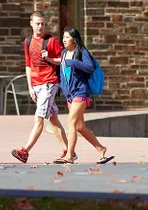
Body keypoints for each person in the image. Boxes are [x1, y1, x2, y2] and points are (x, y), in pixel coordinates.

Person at [11, 11, 74, 164]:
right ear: (31, 24)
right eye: (37, 23)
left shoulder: (51, 41)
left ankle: (24, 152)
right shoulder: (28, 41)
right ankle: (69, 151)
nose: (40, 26)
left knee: (39, 118)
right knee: (53, 119)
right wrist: (30, 87)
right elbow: (28, 66)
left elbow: (65, 59)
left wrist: (50, 59)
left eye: (43, 24)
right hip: (37, 85)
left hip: (49, 83)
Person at [55, 27, 114, 165]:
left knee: (71, 123)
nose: (64, 40)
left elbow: (90, 67)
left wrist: (73, 62)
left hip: (81, 92)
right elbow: (64, 74)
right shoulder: (64, 53)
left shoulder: (82, 51)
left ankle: (69, 155)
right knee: (80, 127)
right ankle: (101, 148)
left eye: (67, 37)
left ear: (74, 39)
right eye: (63, 37)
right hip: (70, 94)